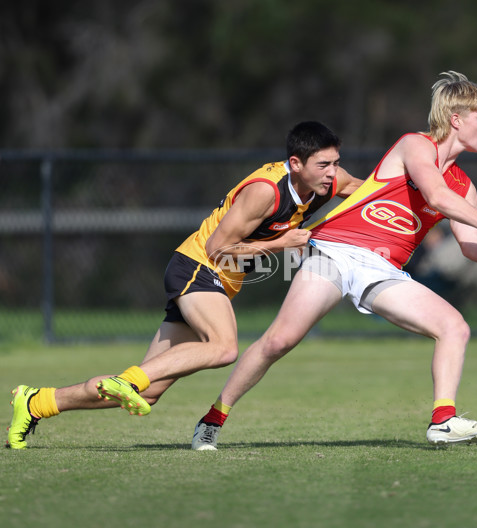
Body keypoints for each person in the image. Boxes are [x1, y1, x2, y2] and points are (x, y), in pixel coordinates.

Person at [192, 71, 477, 450]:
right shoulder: (415, 145)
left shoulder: (466, 187)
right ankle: (212, 420)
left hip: (382, 268)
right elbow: (435, 196)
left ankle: (444, 421)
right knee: (279, 341)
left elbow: (469, 246)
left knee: (454, 326)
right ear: (455, 119)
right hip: (335, 249)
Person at [7, 121, 364, 449]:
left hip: (217, 281)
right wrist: (279, 245)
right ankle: (131, 377)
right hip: (198, 266)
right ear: (296, 163)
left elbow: (371, 191)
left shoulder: (329, 182)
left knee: (148, 393)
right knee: (224, 348)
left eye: (335, 162)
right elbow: (218, 248)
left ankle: (38, 401)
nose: (332, 172)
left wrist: (414, 182)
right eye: (324, 165)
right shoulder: (265, 192)